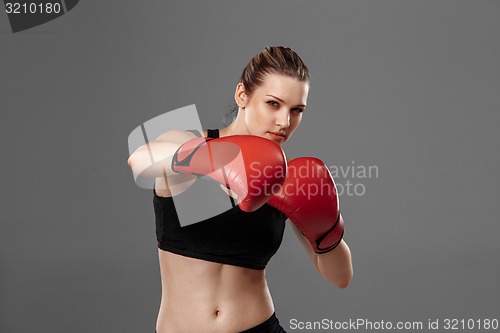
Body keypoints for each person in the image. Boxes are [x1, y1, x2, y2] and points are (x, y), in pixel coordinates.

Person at [127, 46, 353, 333]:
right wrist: (211, 159)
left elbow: (340, 277)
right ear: (242, 95)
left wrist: (327, 230)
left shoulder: (287, 178)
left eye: (296, 110)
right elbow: (140, 161)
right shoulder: (189, 141)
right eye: (273, 104)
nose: (284, 122)